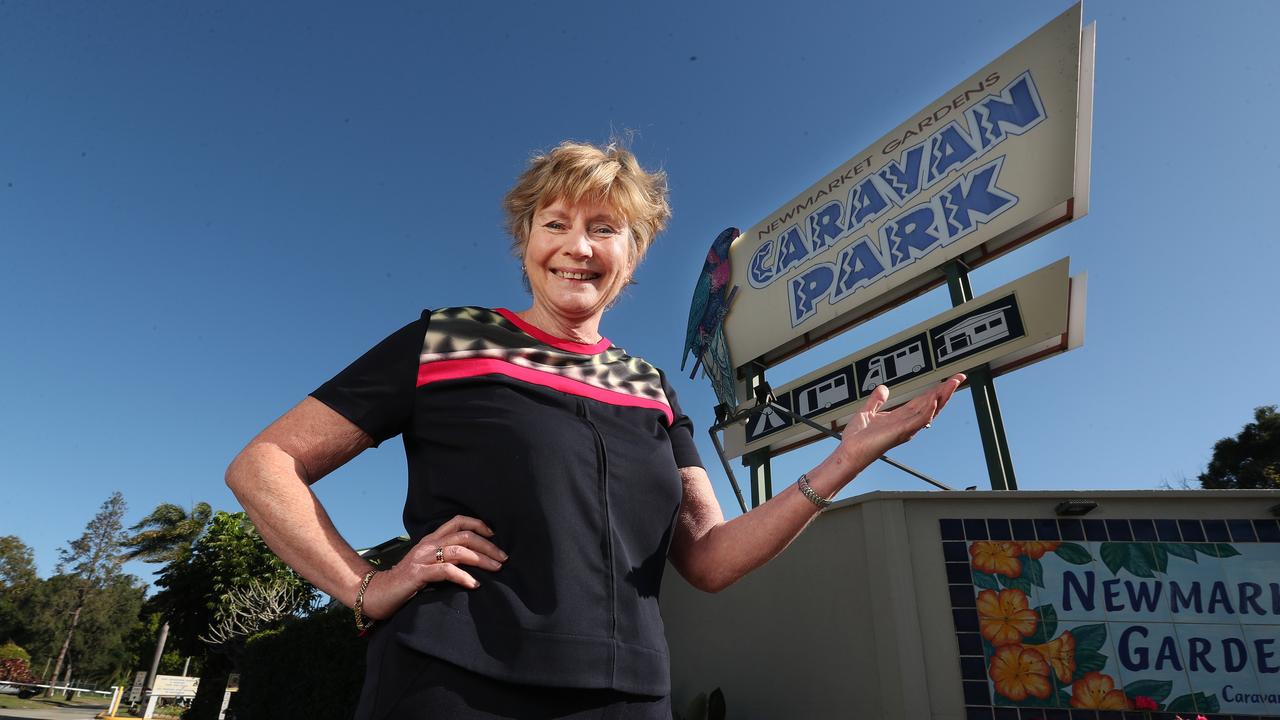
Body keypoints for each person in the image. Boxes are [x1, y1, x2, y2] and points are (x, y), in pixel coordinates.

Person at [225, 140, 963, 719]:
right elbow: (264, 463)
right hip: (450, 685)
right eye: (556, 224)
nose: (577, 246)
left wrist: (845, 460)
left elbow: (707, 559)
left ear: (632, 254)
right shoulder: (449, 340)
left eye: (604, 229)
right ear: (526, 242)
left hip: (627, 697)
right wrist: (363, 587)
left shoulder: (651, 389)